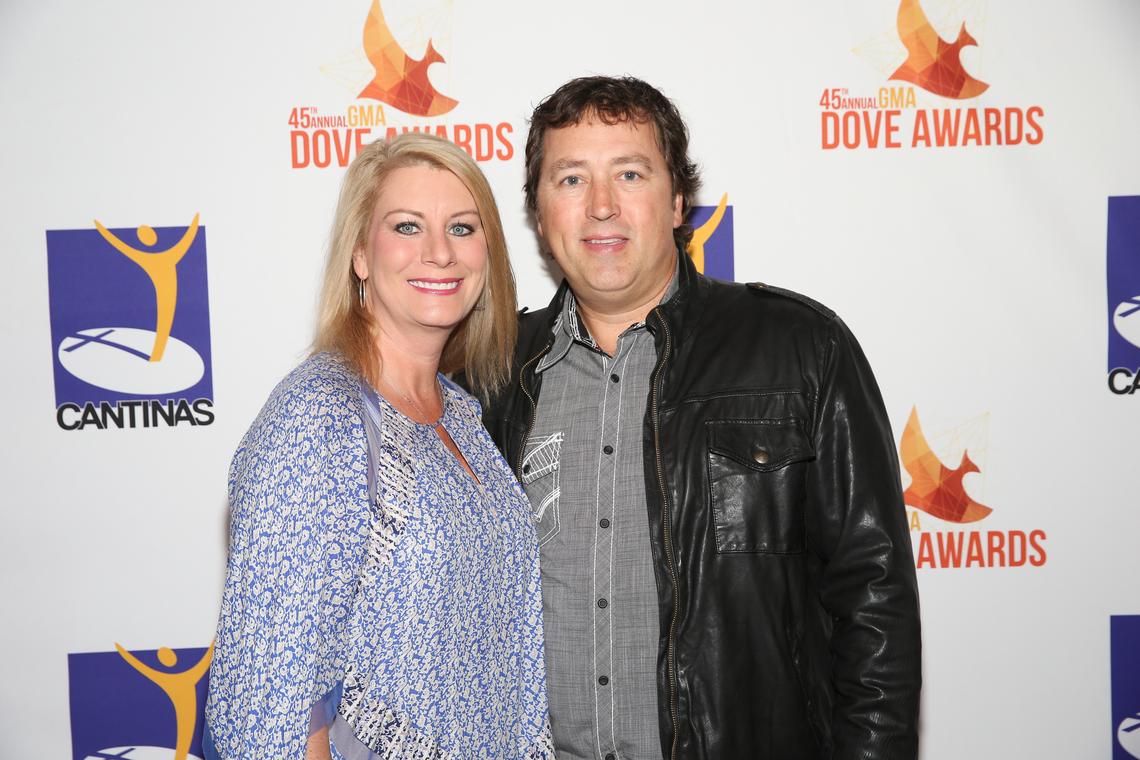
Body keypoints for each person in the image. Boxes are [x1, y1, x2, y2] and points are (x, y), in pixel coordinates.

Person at [475, 76, 921, 759]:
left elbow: (874, 598)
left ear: (679, 199)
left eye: (629, 173)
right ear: (539, 211)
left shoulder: (799, 349)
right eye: (570, 179)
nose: (601, 206)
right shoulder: (489, 379)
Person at [203, 133, 554, 759]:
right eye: (407, 226)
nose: (440, 253)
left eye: (463, 228)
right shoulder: (320, 418)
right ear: (361, 254)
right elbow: (271, 706)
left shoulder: (463, 415)